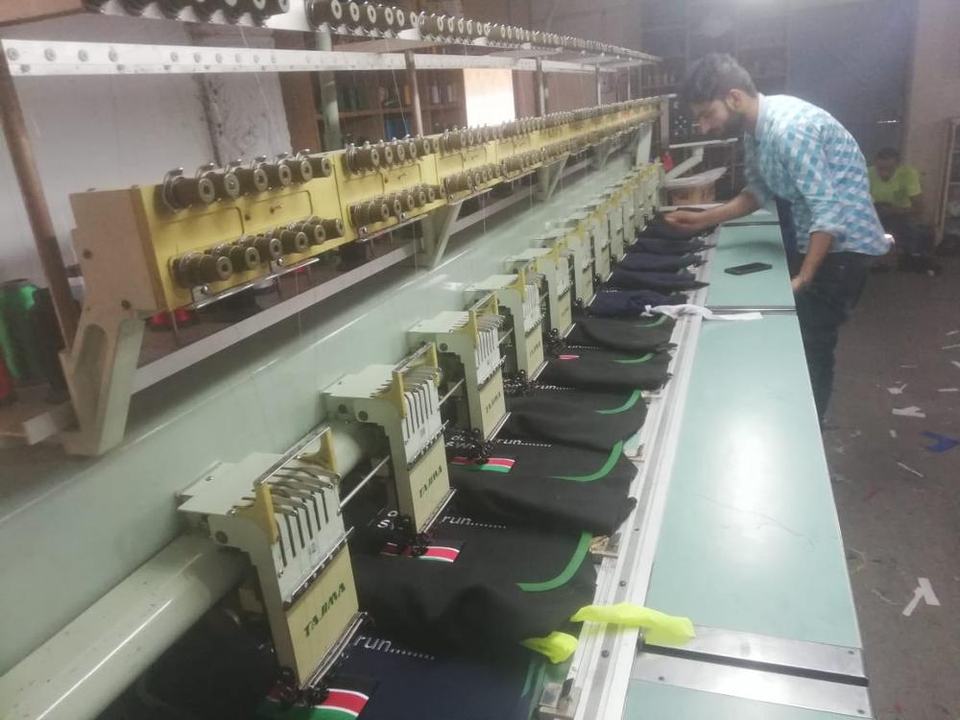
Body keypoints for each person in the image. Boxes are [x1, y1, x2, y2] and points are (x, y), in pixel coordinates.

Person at [665, 54, 890, 424]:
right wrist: (701, 220)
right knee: (801, 336)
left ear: (734, 98)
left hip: (843, 249)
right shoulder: (756, 131)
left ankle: (808, 427)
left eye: (707, 114)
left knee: (813, 344)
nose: (704, 127)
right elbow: (758, 191)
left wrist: (804, 276)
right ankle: (796, 415)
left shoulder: (788, 129)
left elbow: (827, 210)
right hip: (818, 239)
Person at [869, 147, 940, 273]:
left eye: (889, 169)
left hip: (900, 212)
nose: (884, 173)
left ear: (898, 166)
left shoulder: (908, 174)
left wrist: (894, 211)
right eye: (880, 169)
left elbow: (919, 207)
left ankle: (910, 257)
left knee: (910, 228)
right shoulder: (867, 173)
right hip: (873, 211)